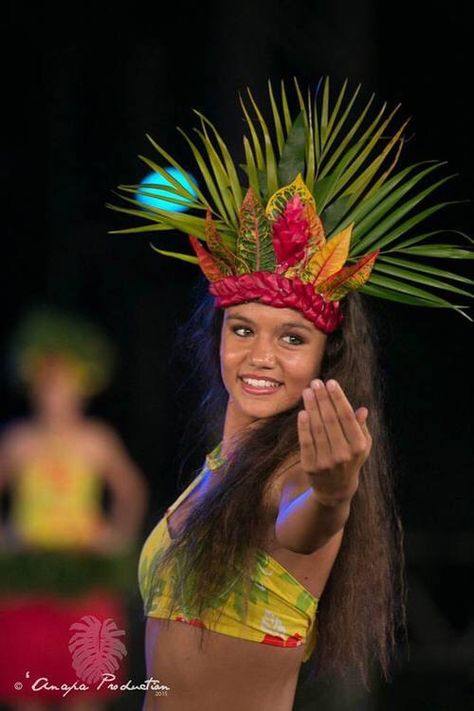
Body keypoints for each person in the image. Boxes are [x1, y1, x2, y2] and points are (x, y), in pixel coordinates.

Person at [111, 79, 473, 710]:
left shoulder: (297, 474)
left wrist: (336, 493)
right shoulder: (220, 471)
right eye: (243, 329)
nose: (259, 357)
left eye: (292, 339)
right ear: (217, 334)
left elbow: (304, 524)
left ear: (324, 360)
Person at [0, 307, 148, 711]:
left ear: (84, 386)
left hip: (86, 574)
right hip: (27, 572)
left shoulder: (96, 440)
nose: (56, 394)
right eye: (48, 384)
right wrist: (6, 536)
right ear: (33, 386)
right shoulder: (17, 440)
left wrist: (116, 537)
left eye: (65, 384)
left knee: (84, 689)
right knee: (25, 686)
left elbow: (131, 490)